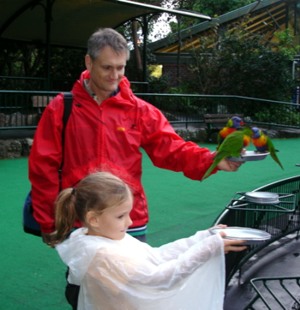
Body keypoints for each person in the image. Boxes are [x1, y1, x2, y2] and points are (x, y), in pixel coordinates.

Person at [29, 27, 242, 245]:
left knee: (135, 277)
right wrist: (50, 222)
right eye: (107, 67)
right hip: (82, 218)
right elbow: (42, 169)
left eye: (120, 67)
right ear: (89, 62)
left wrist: (213, 160)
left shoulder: (139, 111)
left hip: (128, 218)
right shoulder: (61, 109)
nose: (114, 75)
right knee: (83, 279)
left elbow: (172, 149)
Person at [52, 171, 246, 310]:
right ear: (94, 219)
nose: (129, 222)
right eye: (120, 216)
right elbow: (158, 279)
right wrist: (207, 248)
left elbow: (155, 255)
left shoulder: (101, 237)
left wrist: (202, 238)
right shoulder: (102, 254)